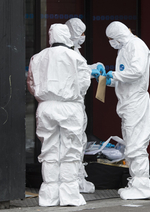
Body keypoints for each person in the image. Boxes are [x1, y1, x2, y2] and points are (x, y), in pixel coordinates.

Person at [27, 23, 92, 206]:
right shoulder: (75, 57)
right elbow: (84, 83)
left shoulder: (37, 57)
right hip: (69, 106)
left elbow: (31, 84)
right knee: (70, 150)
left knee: (49, 150)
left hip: (45, 107)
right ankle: (69, 195)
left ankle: (49, 195)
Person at [104, 21, 150, 200]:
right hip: (128, 101)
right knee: (131, 142)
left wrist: (115, 75)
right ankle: (137, 182)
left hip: (135, 101)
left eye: (111, 39)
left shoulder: (136, 46)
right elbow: (125, 78)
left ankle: (142, 186)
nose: (111, 43)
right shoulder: (125, 48)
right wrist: (107, 80)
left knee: (136, 144)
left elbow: (137, 71)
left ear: (118, 36)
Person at [65, 17, 105, 194]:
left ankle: (77, 179)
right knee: (71, 144)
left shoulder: (74, 50)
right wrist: (90, 71)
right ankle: (71, 181)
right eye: (80, 33)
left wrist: (92, 68)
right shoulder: (65, 52)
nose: (83, 36)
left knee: (79, 142)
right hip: (70, 104)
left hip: (76, 104)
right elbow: (74, 74)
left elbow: (79, 70)